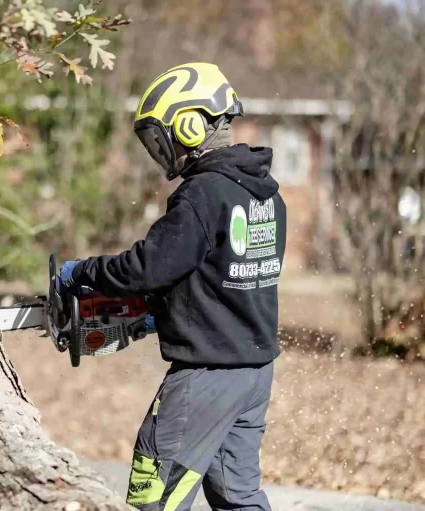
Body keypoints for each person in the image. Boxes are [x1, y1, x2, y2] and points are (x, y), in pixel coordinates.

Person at [59, 62, 287, 511]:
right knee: (237, 496)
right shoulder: (264, 193)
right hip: (253, 371)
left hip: (206, 375)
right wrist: (157, 313)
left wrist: (81, 273)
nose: (159, 153)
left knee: (153, 494)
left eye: (159, 141)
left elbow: (148, 268)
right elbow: (219, 278)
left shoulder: (203, 193)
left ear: (188, 125)